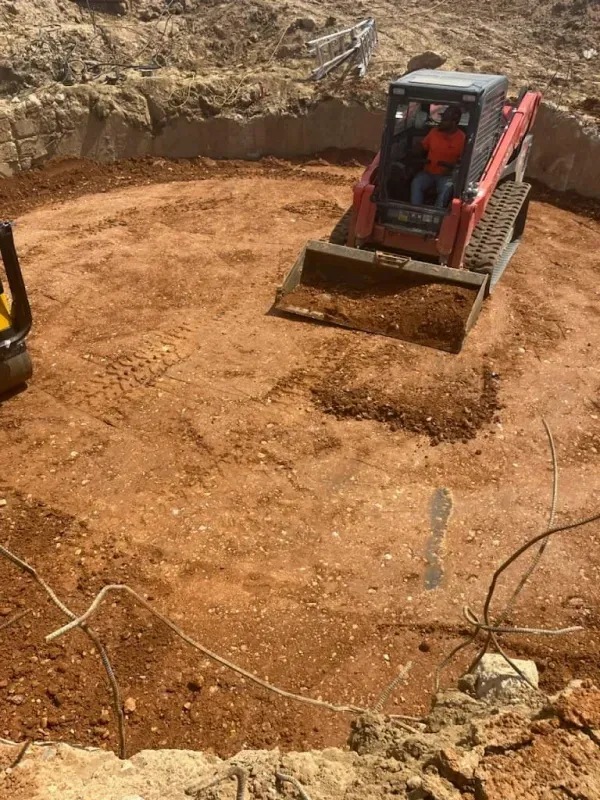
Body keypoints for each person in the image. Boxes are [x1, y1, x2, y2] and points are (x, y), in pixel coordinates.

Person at [410, 106, 465, 208]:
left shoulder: (461, 138)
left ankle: (436, 215)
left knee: (445, 189)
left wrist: (452, 168)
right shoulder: (434, 132)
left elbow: (462, 161)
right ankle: (415, 210)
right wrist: (415, 149)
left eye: (445, 120)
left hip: (446, 176)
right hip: (428, 172)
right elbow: (422, 146)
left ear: (454, 122)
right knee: (417, 182)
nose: (441, 122)